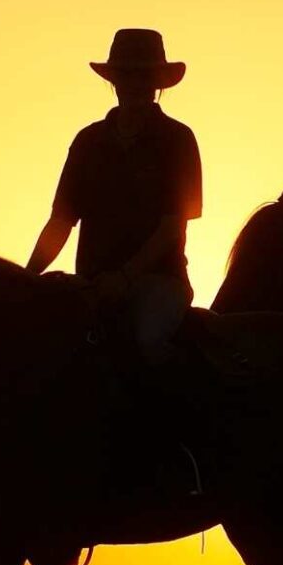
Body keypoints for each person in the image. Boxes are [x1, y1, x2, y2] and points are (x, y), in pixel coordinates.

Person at [25, 28, 203, 366]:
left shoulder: (177, 140)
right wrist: (27, 278)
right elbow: (61, 221)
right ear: (115, 81)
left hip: (159, 282)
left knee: (148, 342)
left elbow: (171, 228)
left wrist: (124, 278)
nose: (135, 84)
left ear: (157, 83)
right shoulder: (87, 142)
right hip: (91, 284)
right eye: (127, 75)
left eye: (144, 75)